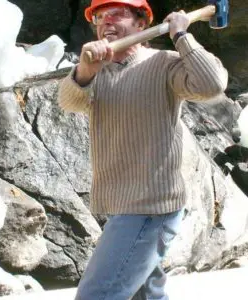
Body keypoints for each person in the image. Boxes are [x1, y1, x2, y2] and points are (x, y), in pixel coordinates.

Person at [57, 0, 228, 299]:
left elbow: (212, 84)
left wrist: (182, 36)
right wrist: (84, 70)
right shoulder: (98, 73)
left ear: (141, 24)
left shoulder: (162, 64)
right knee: (146, 295)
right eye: (100, 17)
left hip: (150, 208)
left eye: (117, 14)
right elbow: (68, 102)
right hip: (123, 206)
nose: (106, 22)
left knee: (97, 294)